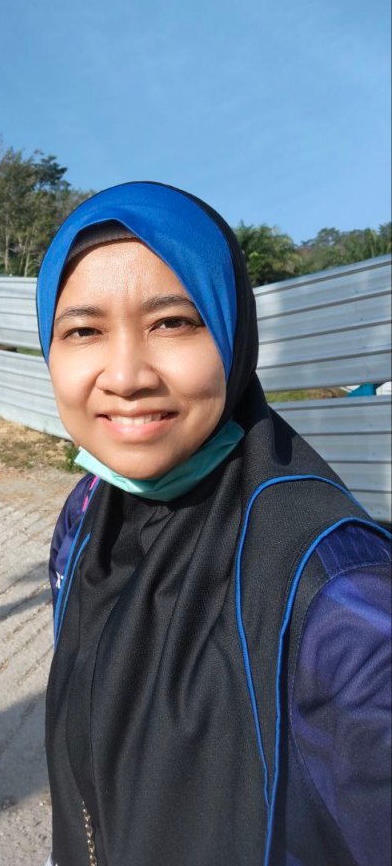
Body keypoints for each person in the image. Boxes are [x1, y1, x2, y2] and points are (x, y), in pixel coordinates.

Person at [36, 182, 391, 866]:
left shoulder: (338, 596)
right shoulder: (85, 517)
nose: (126, 376)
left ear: (234, 334)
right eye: (83, 331)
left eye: (173, 323)